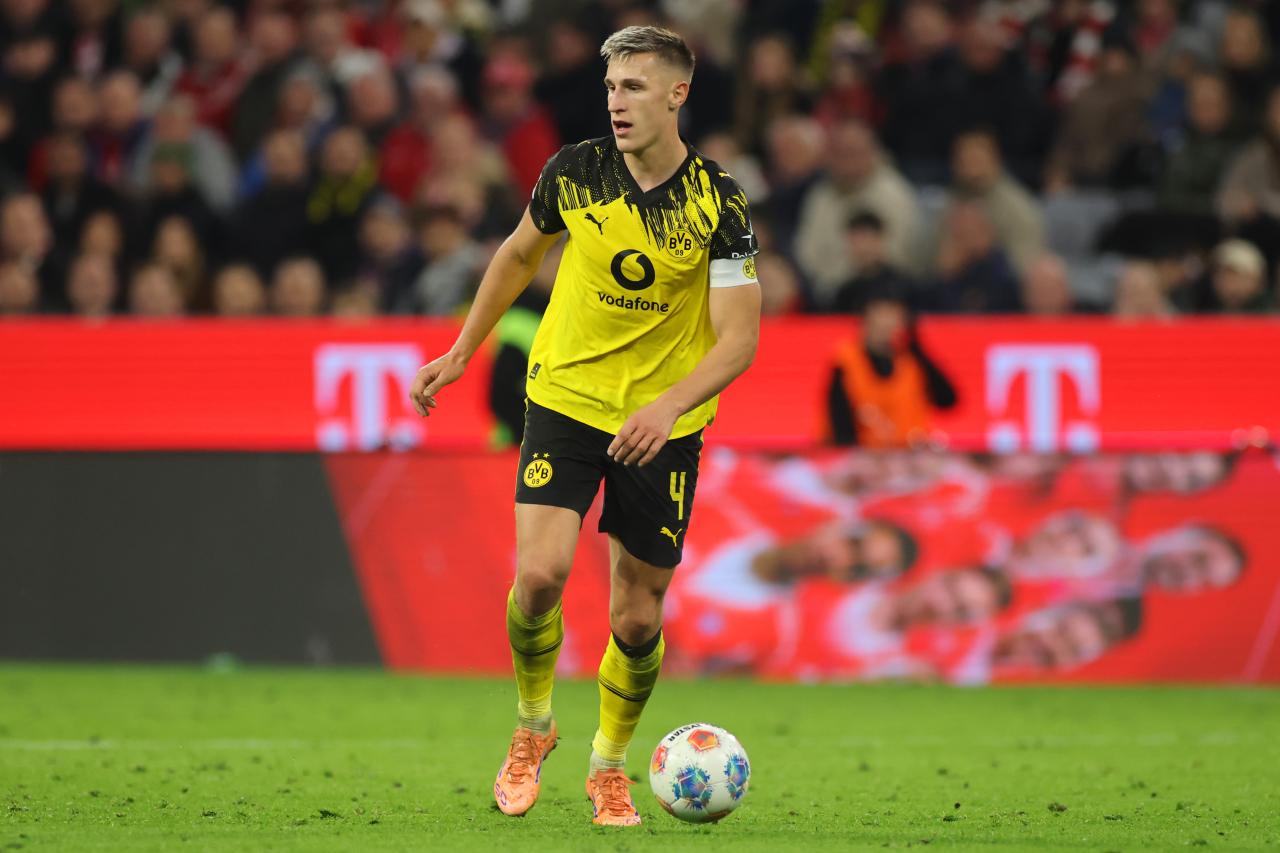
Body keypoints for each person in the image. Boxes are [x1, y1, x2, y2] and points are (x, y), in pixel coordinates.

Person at [407, 26, 761, 827]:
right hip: (567, 396)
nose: (616, 102)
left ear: (677, 94)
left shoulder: (719, 201)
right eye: (610, 87)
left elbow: (739, 338)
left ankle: (609, 765)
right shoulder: (574, 172)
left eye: (634, 86)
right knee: (539, 576)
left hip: (662, 424)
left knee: (636, 615)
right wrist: (462, 349)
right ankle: (533, 725)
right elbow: (516, 254)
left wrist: (669, 406)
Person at [826, 280, 957, 447]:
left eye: (894, 313)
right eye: (881, 312)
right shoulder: (846, 361)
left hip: (912, 452)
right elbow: (841, 427)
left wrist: (917, 349)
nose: (887, 322)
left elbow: (947, 401)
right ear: (865, 317)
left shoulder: (912, 359)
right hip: (866, 454)